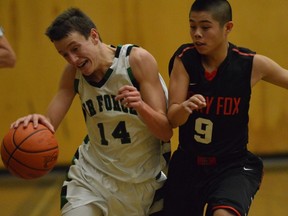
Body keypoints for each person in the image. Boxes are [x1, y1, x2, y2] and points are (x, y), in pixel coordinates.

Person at [11, 8, 172, 216]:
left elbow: (165, 132)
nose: (73, 59)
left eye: (75, 48)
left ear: (94, 36)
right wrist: (35, 125)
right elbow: (48, 125)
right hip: (92, 176)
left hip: (142, 181)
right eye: (64, 55)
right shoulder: (73, 75)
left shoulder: (136, 61)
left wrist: (141, 106)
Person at [163, 0, 288, 215]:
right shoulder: (184, 60)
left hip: (232, 166)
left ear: (227, 28)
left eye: (205, 26)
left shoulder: (250, 64)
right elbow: (173, 119)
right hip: (188, 164)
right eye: (192, 26)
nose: (197, 34)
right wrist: (184, 107)